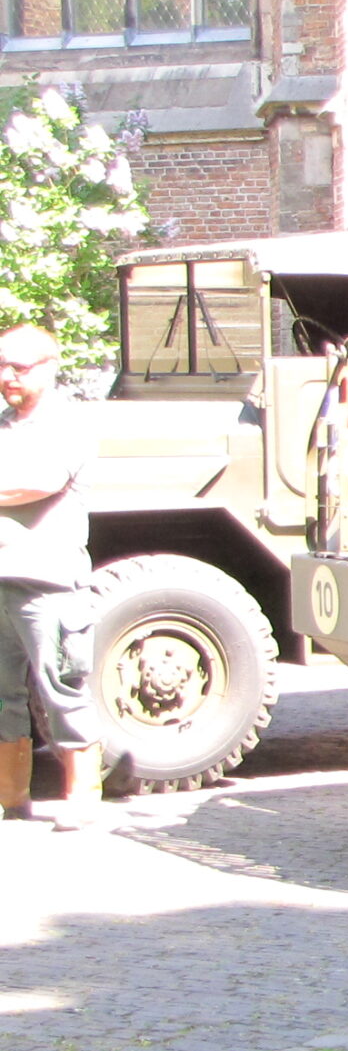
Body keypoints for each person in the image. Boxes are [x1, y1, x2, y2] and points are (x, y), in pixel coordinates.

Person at [0, 323, 107, 828]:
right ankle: (10, 797)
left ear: (47, 368)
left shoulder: (67, 424)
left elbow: (37, 483)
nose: (6, 377)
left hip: (47, 584)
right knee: (3, 695)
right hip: (3, 581)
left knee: (61, 687)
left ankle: (81, 799)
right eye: (0, 367)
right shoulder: (4, 425)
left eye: (17, 368)